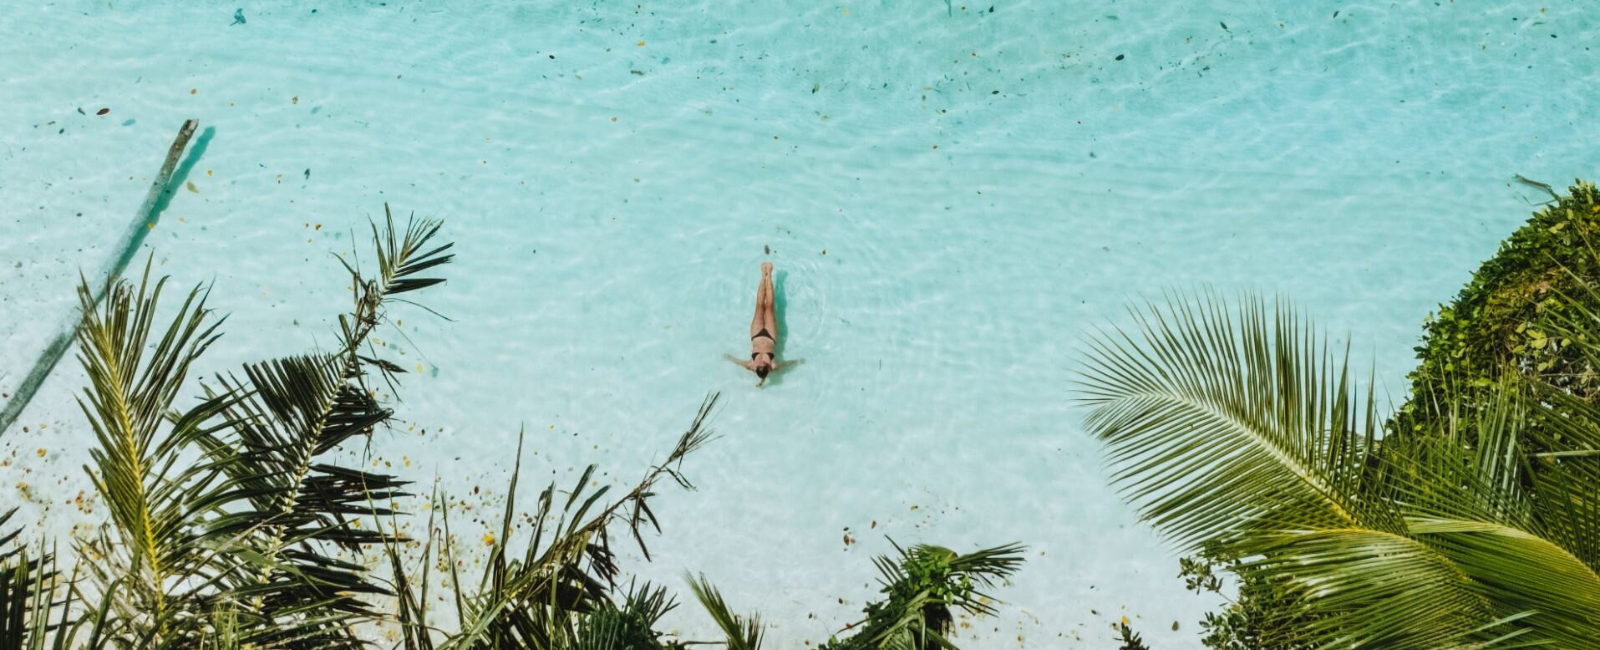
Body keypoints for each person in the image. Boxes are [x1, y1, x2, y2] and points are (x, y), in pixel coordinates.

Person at [727, 262, 784, 385]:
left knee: (759, 305)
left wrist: (729, 357)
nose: (763, 362)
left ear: (756, 369)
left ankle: (763, 274)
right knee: (769, 306)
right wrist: (797, 362)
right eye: (765, 365)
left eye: (761, 365)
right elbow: (785, 365)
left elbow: (739, 362)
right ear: (767, 369)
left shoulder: (751, 365)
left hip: (756, 335)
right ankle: (770, 273)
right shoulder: (772, 366)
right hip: (770, 335)